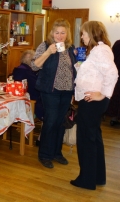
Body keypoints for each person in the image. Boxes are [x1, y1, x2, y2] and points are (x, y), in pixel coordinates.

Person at [71, 21, 118, 190]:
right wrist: (80, 63)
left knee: (86, 140)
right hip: (92, 101)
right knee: (94, 138)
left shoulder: (99, 51)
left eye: (83, 33)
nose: (82, 36)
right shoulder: (99, 50)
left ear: (91, 34)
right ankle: (97, 177)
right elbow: (93, 73)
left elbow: (112, 73)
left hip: (92, 101)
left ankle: (87, 180)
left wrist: (102, 94)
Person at [31, 18, 77, 169]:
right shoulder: (45, 45)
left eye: (63, 32)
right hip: (50, 91)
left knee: (60, 123)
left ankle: (57, 153)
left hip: (67, 91)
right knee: (50, 122)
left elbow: (74, 69)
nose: (59, 35)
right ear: (52, 33)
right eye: (57, 32)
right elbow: (34, 66)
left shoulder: (71, 48)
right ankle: (44, 154)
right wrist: (47, 52)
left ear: (67, 34)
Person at [12, 50, 44, 146]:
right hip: (30, 103)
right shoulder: (28, 72)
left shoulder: (17, 70)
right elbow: (37, 87)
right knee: (50, 110)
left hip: (18, 102)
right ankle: (41, 138)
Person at [105, 39, 120, 125]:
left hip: (116, 73)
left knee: (116, 96)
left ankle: (114, 117)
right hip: (116, 74)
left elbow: (112, 58)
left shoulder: (117, 43)